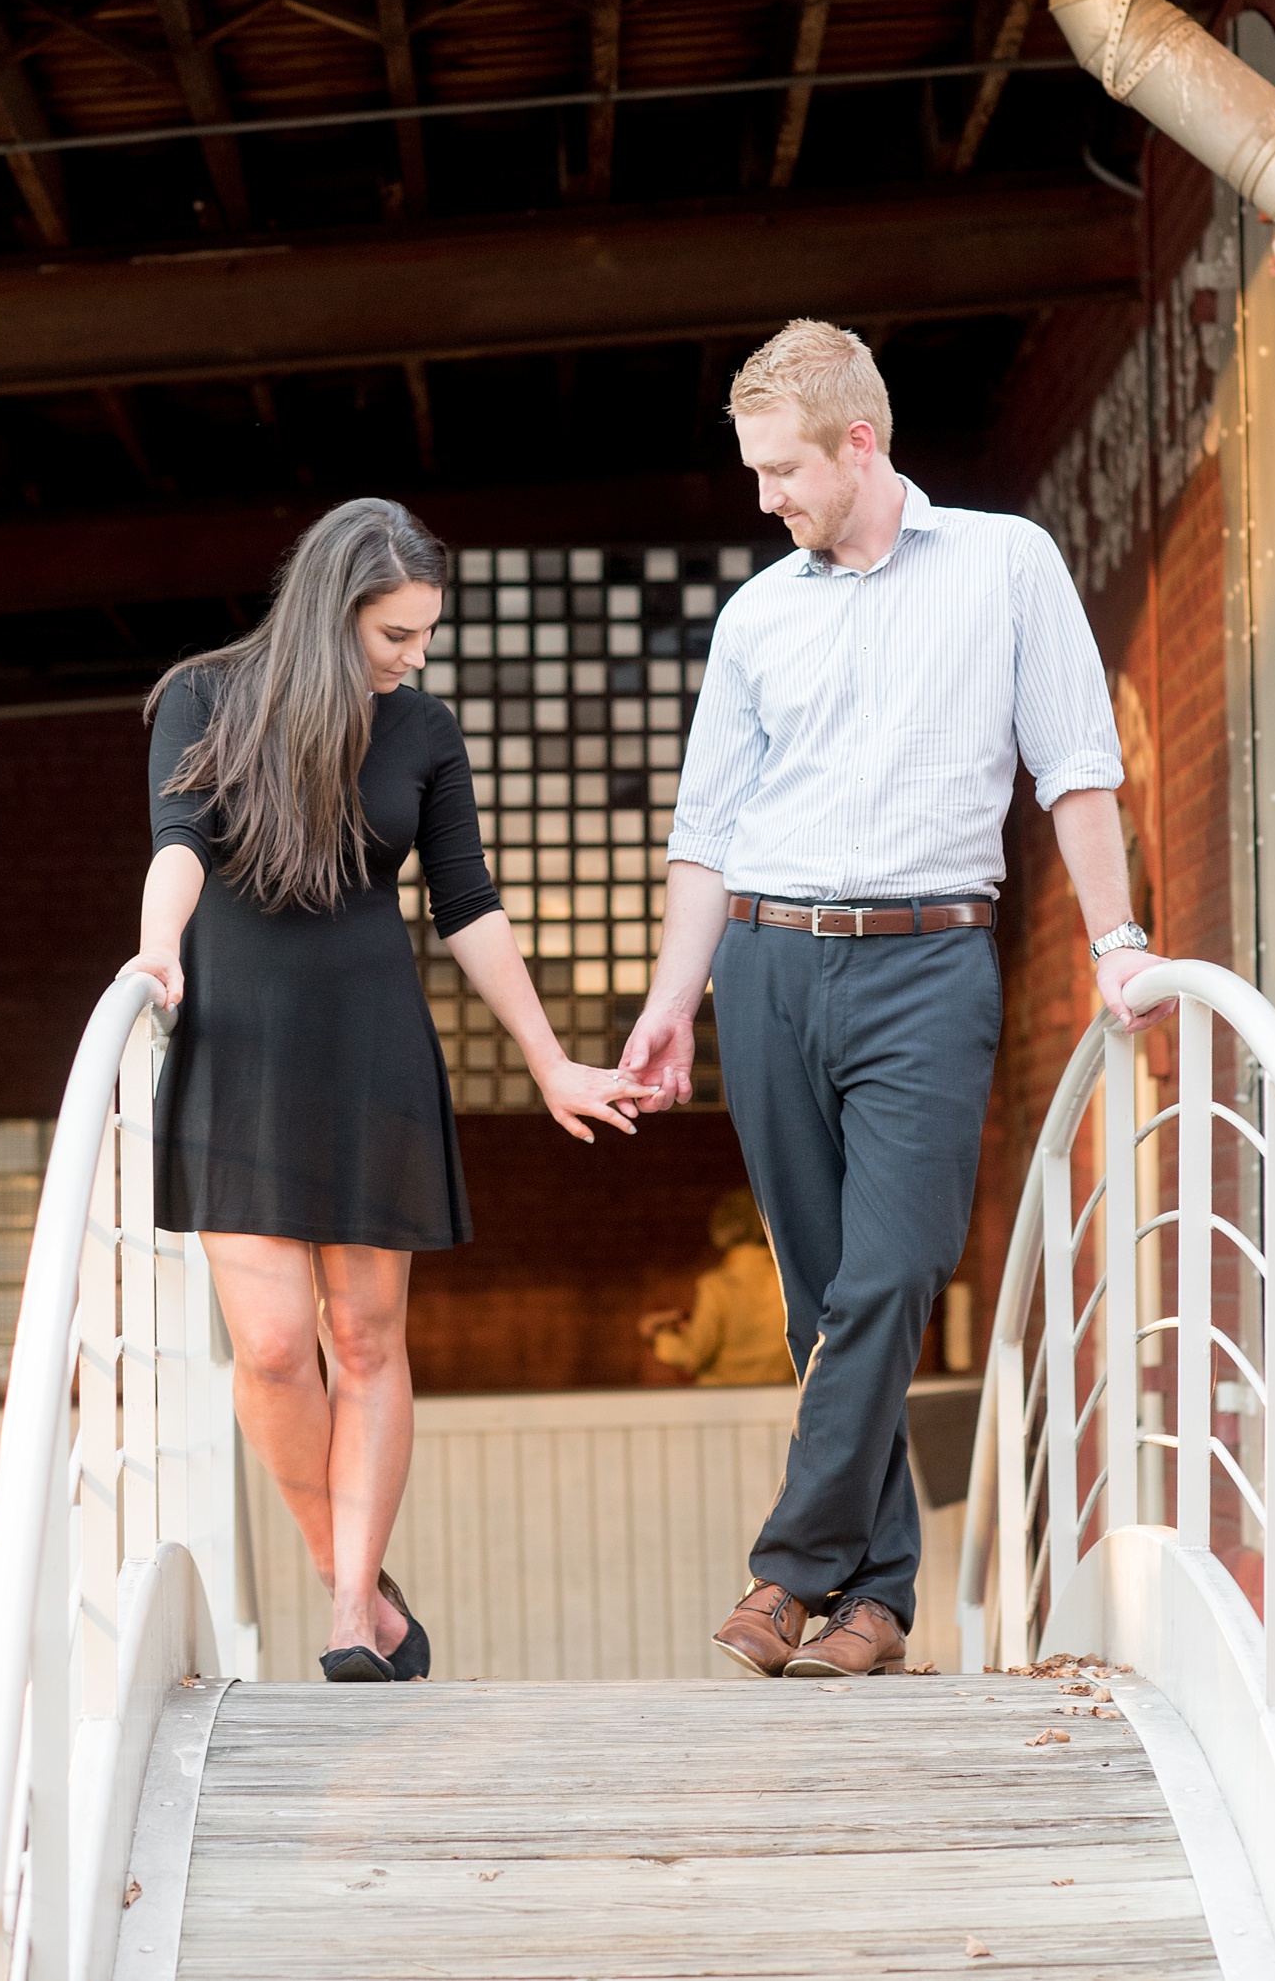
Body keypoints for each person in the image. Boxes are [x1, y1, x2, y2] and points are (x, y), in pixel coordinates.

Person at [620, 320, 1164, 1681]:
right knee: (820, 1299)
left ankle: (788, 1570)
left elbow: (1078, 768)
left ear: (859, 443)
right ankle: (877, 1605)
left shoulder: (1006, 564)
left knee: (894, 1272)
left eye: (783, 469)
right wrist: (676, 998)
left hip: (929, 962)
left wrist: (1121, 942)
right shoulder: (759, 615)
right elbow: (707, 830)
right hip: (768, 963)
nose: (766, 498)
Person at [121, 498, 652, 1683]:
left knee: (362, 1335)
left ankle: (351, 1615)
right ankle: (350, 1579)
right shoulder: (204, 696)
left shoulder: (421, 728)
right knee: (267, 1346)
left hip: (371, 1047)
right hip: (238, 1041)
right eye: (393, 636)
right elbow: (179, 840)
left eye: (423, 635)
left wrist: (548, 1056)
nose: (413, 658)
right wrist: (158, 947)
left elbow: (466, 903)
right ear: (329, 612)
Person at [638, 1188, 794, 1386]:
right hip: (781, 1401)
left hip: (723, 1403)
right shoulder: (788, 1283)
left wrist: (655, 1335)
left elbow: (691, 1355)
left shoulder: (716, 1286)